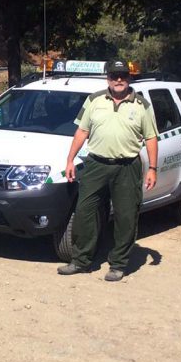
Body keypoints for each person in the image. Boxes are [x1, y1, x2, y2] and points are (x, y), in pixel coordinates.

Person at [58, 60, 158, 281]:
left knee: (126, 216)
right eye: (114, 76)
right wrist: (70, 160)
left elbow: (151, 137)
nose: (119, 80)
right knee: (85, 212)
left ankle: (118, 264)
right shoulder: (94, 100)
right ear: (108, 79)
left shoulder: (142, 105)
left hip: (127, 167)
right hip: (96, 165)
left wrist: (152, 168)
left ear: (129, 78)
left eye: (122, 76)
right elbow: (82, 131)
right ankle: (80, 260)